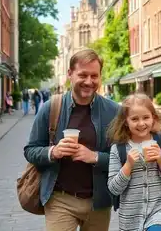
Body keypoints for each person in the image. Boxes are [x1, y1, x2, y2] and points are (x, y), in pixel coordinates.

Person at [24, 49, 120, 231]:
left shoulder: (113, 111)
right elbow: (30, 150)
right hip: (60, 198)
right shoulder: (50, 107)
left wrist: (96, 157)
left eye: (94, 76)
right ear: (70, 74)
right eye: (83, 75)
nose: (89, 82)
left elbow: (123, 157)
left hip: (99, 201)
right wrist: (53, 152)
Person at [107, 93, 161, 231]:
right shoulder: (118, 149)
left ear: (153, 118)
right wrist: (128, 166)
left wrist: (160, 160)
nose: (141, 123)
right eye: (134, 119)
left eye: (146, 117)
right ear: (125, 121)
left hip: (158, 211)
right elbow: (113, 188)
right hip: (130, 219)